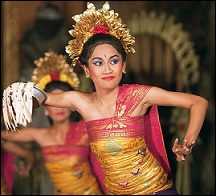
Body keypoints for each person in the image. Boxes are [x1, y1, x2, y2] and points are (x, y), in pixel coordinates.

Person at [2, 2, 208, 195]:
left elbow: (198, 102)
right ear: (86, 69)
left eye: (114, 61)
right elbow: (44, 98)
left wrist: (187, 143)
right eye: (98, 63)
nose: (107, 69)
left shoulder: (139, 95)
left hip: (155, 190)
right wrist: (22, 94)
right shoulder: (81, 101)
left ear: (123, 65)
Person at [2, 50, 106, 195]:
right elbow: (6, 137)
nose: (59, 107)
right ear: (45, 109)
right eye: (53, 102)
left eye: (63, 101)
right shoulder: (41, 135)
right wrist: (27, 156)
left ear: (73, 105)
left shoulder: (85, 129)